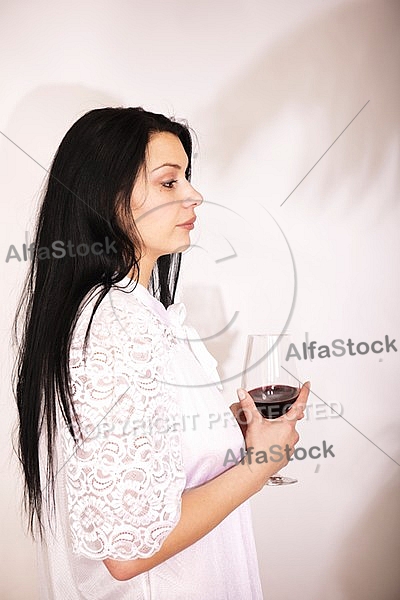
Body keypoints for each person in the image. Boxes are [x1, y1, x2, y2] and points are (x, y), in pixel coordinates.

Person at [13, 107, 310, 599]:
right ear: (107, 200)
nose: (195, 194)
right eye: (169, 182)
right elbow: (128, 555)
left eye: (187, 178)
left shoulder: (143, 312)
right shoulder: (113, 323)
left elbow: (148, 458)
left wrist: (224, 428)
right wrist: (263, 462)